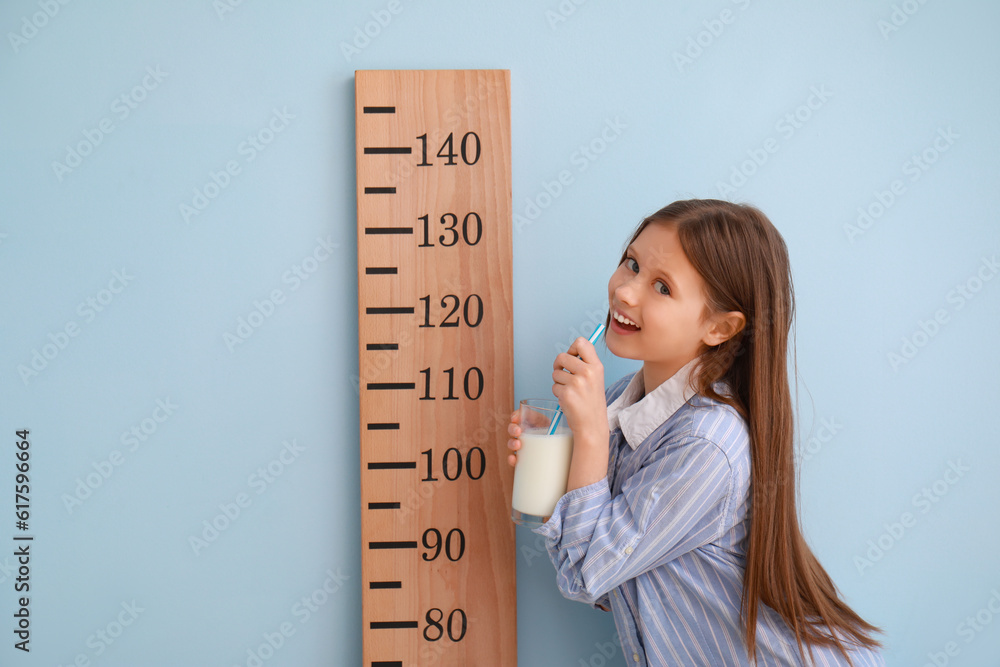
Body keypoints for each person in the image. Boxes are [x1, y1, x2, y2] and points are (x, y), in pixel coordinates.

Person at [506, 199, 884, 666]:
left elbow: (589, 573)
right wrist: (557, 459)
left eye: (661, 287)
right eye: (632, 264)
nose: (626, 292)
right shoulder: (623, 399)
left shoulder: (706, 444)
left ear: (719, 327)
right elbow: (600, 573)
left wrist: (588, 437)